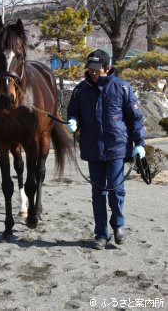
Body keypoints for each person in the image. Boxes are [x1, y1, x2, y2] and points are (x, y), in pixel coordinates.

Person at [66, 49, 145, 250]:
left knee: (116, 190)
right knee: (98, 193)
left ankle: (118, 224)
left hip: (117, 147)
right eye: (90, 69)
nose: (92, 72)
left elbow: (135, 119)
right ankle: (101, 233)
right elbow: (72, 112)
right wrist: (73, 121)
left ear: (107, 68)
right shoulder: (80, 90)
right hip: (92, 147)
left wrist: (140, 144)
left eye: (96, 69)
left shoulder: (123, 88)